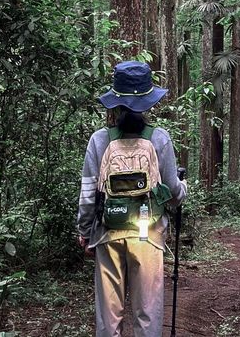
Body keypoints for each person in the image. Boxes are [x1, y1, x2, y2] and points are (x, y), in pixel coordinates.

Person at [77, 60, 187, 337]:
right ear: (149, 103)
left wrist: (84, 231)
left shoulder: (99, 140)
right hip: (147, 235)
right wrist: (183, 190)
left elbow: (89, 192)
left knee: (108, 313)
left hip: (107, 233)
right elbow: (173, 191)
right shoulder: (159, 138)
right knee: (147, 311)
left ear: (115, 102)